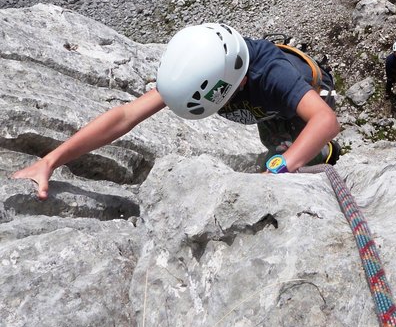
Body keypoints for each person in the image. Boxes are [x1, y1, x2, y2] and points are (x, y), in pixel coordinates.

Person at [12, 23, 341, 199]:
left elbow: (325, 120)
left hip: (309, 90)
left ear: (230, 87)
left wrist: (279, 171)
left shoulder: (271, 76)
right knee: (277, 143)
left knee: (302, 150)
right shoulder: (201, 71)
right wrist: (50, 160)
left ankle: (326, 158)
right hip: (263, 108)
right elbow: (125, 117)